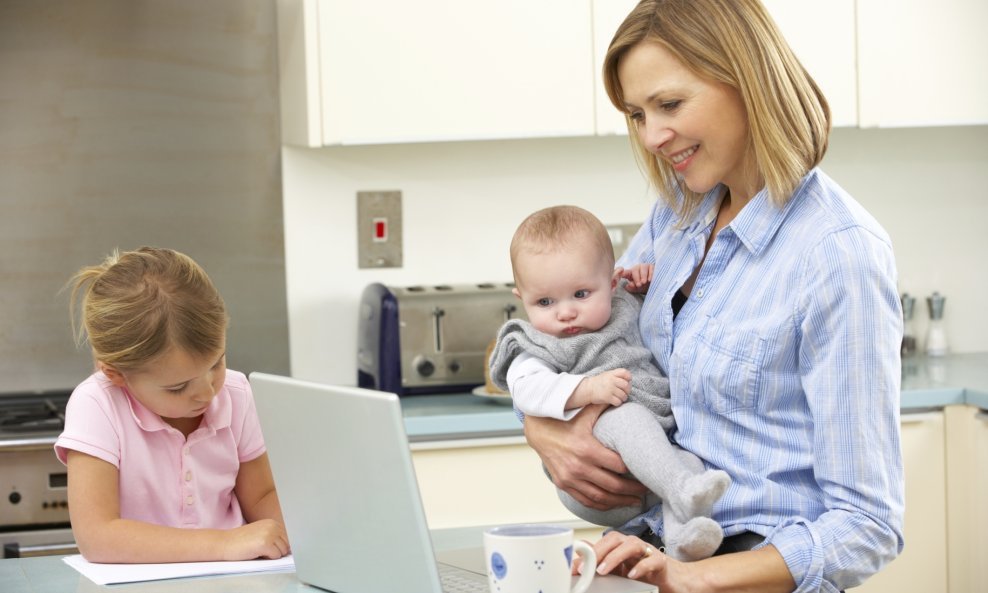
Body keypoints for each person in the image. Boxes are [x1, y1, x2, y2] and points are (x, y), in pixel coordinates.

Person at [523, 1, 905, 591]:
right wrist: (541, 428)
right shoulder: (675, 217)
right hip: (648, 554)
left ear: (746, 78)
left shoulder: (838, 254)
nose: (652, 136)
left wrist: (697, 578)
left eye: (670, 104)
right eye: (637, 114)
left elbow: (867, 525)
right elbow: (580, 343)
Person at [488, 205, 730, 561]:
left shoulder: (623, 307)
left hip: (652, 465)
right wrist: (586, 390)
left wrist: (647, 285)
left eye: (581, 294)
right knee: (626, 417)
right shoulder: (536, 345)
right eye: (544, 302)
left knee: (690, 465)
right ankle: (681, 491)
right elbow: (526, 390)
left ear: (613, 283)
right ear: (520, 300)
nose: (565, 312)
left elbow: (664, 314)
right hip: (597, 480)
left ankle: (684, 544)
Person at [55, 246, 290, 563]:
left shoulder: (235, 392)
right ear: (115, 373)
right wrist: (224, 544)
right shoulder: (97, 404)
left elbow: (260, 496)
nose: (207, 393)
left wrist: (302, 528)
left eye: (216, 364)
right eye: (178, 387)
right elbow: (97, 537)